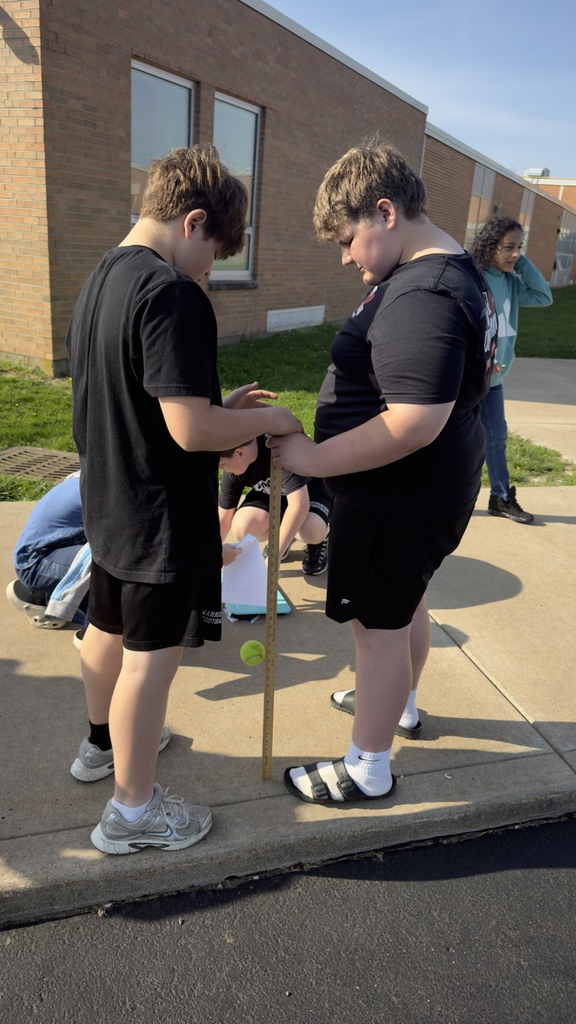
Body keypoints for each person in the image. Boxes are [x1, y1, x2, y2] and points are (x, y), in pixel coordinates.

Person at [66, 144, 301, 854]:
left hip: (111, 503)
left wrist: (216, 407)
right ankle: (132, 815)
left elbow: (150, 400)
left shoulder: (103, 276)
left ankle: (101, 746)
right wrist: (265, 420)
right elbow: (191, 428)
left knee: (106, 629)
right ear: (193, 222)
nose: (211, 271)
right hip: (160, 519)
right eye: (216, 256)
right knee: (151, 661)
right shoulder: (171, 291)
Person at [266, 141, 497, 805]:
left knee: (379, 628)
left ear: (385, 212)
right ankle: (398, 708)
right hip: (422, 491)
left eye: (347, 238)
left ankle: (367, 768)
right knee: (404, 605)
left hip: (401, 497)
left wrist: (310, 458)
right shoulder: (449, 272)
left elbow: (413, 422)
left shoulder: (422, 290)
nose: (346, 257)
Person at [469, 217, 553, 524]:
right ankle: (429, 494)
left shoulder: (512, 283)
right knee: (451, 438)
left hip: (495, 380)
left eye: (520, 247)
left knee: (497, 437)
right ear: (490, 246)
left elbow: (544, 297)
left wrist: (520, 263)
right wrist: (484, 359)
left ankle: (501, 498)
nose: (515, 253)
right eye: (508, 247)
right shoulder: (474, 277)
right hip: (468, 378)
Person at [218, 436, 331, 575]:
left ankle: (319, 540)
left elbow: (299, 505)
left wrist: (274, 557)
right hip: (269, 494)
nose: (222, 470)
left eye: (222, 465)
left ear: (240, 453)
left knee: (310, 530)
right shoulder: (233, 462)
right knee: (243, 527)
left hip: (308, 492)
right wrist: (212, 556)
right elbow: (223, 519)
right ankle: (286, 535)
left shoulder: (280, 451)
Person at [6, 472, 90, 630]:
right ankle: (94, 630)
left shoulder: (95, 473)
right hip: (36, 562)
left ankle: (51, 596)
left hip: (48, 550)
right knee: (109, 565)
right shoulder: (108, 493)